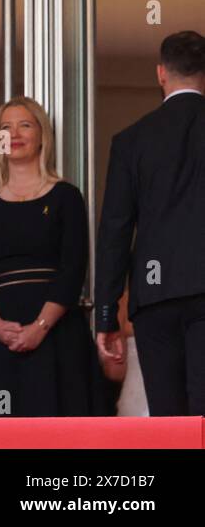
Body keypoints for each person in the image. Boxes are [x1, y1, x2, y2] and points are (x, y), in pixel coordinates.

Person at [0, 96, 110, 416]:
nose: (14, 134)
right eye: (6, 127)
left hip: (56, 334)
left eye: (24, 125)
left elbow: (73, 268)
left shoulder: (66, 197)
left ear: (42, 134)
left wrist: (39, 327)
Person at [94, 30, 205, 415]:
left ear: (161, 73)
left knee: (169, 419)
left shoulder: (132, 141)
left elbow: (115, 231)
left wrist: (107, 312)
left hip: (155, 297)